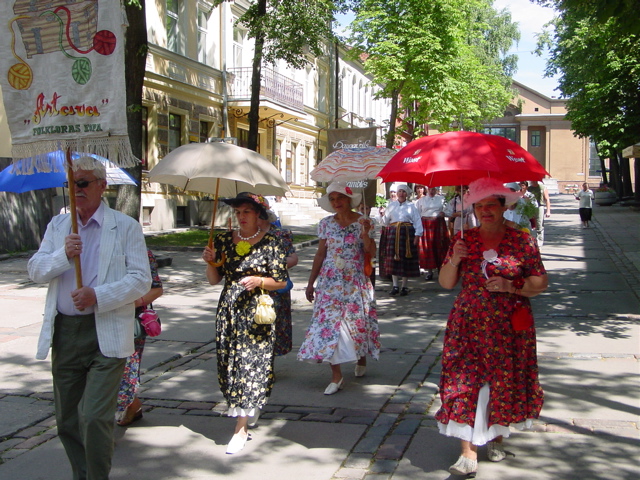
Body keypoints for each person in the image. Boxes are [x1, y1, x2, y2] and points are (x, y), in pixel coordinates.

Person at [27, 156, 152, 480]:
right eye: (70, 184)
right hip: (66, 332)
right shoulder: (58, 226)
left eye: (82, 183)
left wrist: (98, 295)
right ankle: (81, 474)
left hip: (106, 332)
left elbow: (141, 279)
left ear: (102, 186)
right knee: (67, 420)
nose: (76, 189)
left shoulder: (125, 226)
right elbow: (36, 271)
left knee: (95, 416)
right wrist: (62, 254)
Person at [437, 177, 548, 477]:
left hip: (508, 324)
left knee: (501, 381)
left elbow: (540, 282)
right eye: (480, 206)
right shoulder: (464, 239)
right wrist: (454, 260)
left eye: (491, 206)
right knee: (464, 382)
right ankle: (467, 452)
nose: (485, 211)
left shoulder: (521, 239)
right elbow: (446, 283)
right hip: (468, 322)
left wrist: (511, 285)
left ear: (503, 207)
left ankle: (495, 436)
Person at [202, 192, 287, 454]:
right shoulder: (225, 239)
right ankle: (247, 406)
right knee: (229, 363)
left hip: (257, 312)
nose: (241, 217)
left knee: (251, 364)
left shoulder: (271, 241)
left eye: (246, 212)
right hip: (229, 309)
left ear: (258, 214)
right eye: (237, 212)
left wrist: (259, 281)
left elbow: (281, 281)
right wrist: (209, 262)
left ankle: (240, 428)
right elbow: (214, 280)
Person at [298, 182, 380, 394]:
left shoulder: (365, 222)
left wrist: (365, 234)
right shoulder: (326, 224)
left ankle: (361, 357)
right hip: (330, 281)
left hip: (355, 281)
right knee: (329, 326)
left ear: (349, 199)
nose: (336, 203)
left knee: (356, 324)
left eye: (340, 198)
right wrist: (310, 282)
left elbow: (372, 253)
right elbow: (320, 254)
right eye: (332, 199)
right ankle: (336, 376)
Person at [116, 249, 164, 426]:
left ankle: (103, 430)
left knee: (125, 371)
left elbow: (157, 289)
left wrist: (128, 303)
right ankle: (133, 405)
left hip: (130, 321)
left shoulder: (141, 252)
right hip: (98, 318)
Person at [258, 210, 298, 356]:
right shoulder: (242, 236)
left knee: (273, 324)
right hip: (252, 286)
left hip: (276, 286)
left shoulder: (280, 235)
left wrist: (271, 263)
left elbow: (293, 259)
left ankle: (268, 364)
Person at [380, 183, 423, 296]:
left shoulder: (411, 206)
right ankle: (395, 286)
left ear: (407, 194)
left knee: (405, 260)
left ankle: (404, 286)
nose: (401, 194)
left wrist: (417, 236)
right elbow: (385, 222)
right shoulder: (391, 206)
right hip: (393, 234)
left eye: (403, 191)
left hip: (407, 234)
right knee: (393, 259)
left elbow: (417, 221)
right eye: (399, 191)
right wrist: (381, 215)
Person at [415, 186, 450, 280]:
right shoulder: (421, 201)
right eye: (430, 189)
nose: (431, 191)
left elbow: (448, 210)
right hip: (425, 224)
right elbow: (417, 214)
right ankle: (429, 272)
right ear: (427, 190)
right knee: (428, 247)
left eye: (433, 189)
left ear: (437, 190)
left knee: (440, 246)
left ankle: (441, 270)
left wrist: (445, 213)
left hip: (438, 224)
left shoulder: (441, 199)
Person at [528, 180, 551, 245]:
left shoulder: (542, 187)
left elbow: (547, 199)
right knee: (530, 223)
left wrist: (548, 211)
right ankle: (531, 240)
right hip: (531, 207)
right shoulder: (529, 189)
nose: (533, 181)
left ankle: (539, 243)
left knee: (539, 224)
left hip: (540, 206)